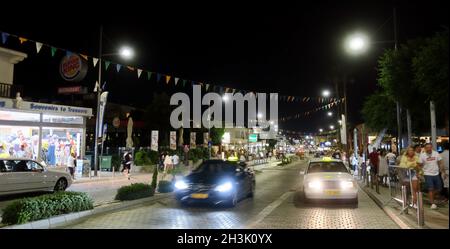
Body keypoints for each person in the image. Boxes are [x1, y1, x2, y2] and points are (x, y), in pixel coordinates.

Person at [420, 143, 447, 209]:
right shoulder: (422, 155)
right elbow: (419, 165)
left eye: (430, 147)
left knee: (440, 188)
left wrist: (443, 172)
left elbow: (440, 163)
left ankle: (430, 196)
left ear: (432, 147)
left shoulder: (436, 153)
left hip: (436, 174)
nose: (429, 149)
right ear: (425, 148)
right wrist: (419, 174)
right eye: (427, 148)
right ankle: (432, 203)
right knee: (431, 188)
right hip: (427, 174)